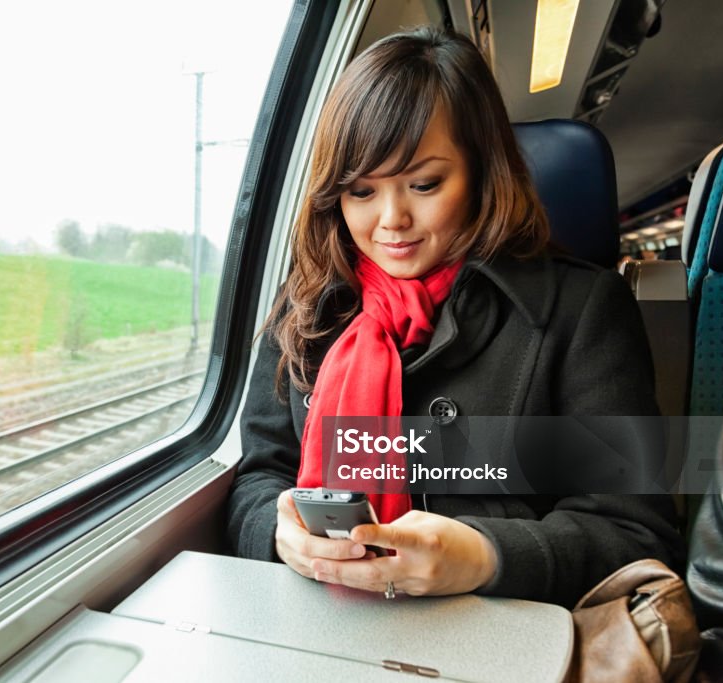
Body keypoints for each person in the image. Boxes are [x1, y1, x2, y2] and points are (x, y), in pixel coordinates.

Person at [226, 26, 684, 609]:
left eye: (424, 183)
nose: (392, 219)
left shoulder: (579, 309)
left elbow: (636, 533)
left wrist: (484, 555)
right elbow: (261, 476)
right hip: (323, 620)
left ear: (482, 172)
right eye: (361, 191)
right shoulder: (308, 306)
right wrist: (279, 533)